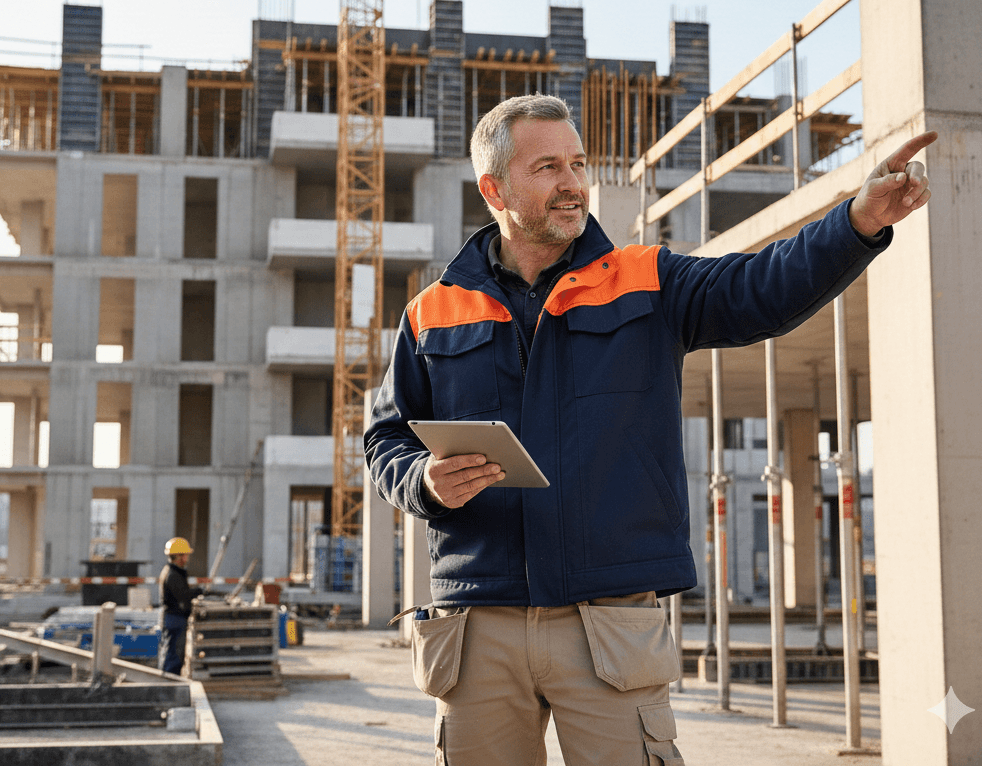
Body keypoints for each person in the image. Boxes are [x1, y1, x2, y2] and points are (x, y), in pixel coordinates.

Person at [365, 94, 935, 765]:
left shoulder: (646, 283)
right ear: (495, 187)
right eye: (548, 167)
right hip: (476, 627)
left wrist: (857, 224)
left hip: (609, 627)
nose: (573, 183)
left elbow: (765, 287)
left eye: (577, 163)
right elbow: (385, 439)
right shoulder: (432, 312)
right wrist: (424, 480)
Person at [157, 536, 200, 675]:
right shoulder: (173, 575)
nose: (187, 558)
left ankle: (168, 683)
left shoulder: (173, 572)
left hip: (173, 618)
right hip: (175, 619)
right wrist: (196, 592)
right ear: (179, 556)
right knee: (173, 656)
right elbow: (183, 597)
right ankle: (168, 686)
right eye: (185, 555)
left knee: (171, 654)